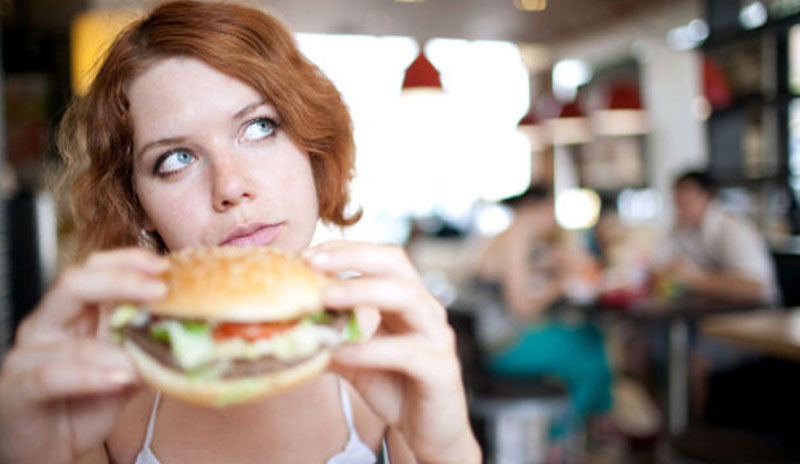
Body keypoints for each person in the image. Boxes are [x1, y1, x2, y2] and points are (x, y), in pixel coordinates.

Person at [0, 2, 482, 463]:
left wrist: (449, 452)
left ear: (311, 143)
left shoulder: (388, 342)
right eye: (176, 159)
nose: (230, 186)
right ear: (137, 205)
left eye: (258, 127)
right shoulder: (103, 374)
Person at [471, 185, 613, 439]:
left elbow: (569, 261)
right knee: (591, 354)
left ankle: (594, 426)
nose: (553, 219)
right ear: (538, 208)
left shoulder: (517, 238)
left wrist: (562, 263)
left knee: (592, 338)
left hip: (499, 342)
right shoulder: (515, 236)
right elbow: (521, 306)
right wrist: (560, 286)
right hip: (505, 346)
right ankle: (562, 439)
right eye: (551, 211)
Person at [661, 169, 779, 420]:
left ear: (708, 197)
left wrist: (695, 280)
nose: (679, 206)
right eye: (676, 199)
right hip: (706, 318)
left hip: (752, 321)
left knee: (694, 361)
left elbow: (758, 289)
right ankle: (661, 431)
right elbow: (663, 266)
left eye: (686, 199)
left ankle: (697, 436)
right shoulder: (683, 231)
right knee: (641, 348)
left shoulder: (732, 229)